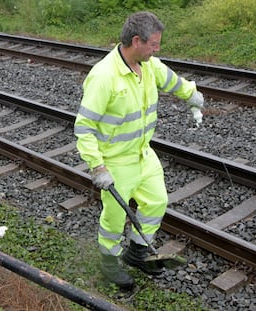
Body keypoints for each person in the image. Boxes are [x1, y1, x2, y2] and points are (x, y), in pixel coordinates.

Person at [74, 11, 204, 288]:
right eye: (154, 44)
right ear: (137, 41)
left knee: (156, 202)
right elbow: (84, 128)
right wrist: (98, 166)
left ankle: (136, 252)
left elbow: (172, 81)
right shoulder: (104, 77)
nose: (157, 49)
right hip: (116, 160)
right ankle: (109, 262)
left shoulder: (148, 65)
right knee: (114, 218)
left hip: (143, 153)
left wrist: (191, 95)